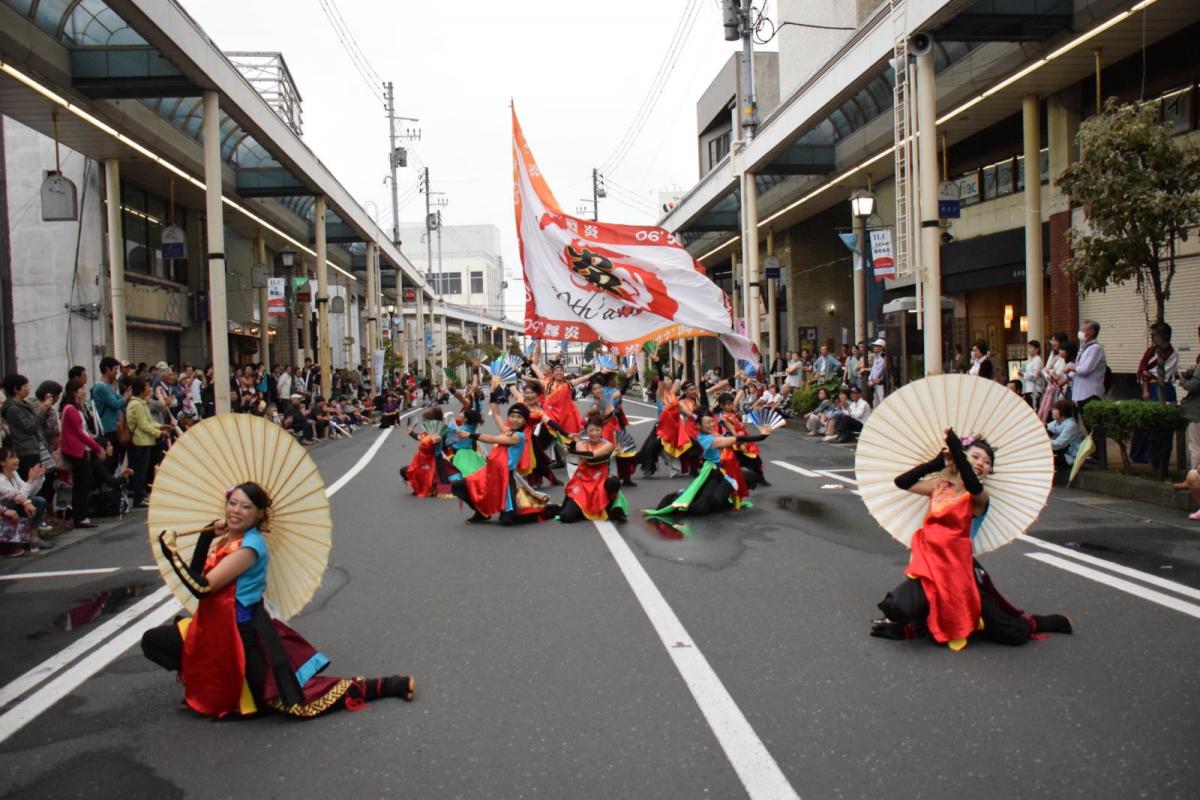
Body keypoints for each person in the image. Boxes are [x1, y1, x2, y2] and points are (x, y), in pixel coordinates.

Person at [141, 482, 414, 718]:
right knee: (154, 641)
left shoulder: (250, 547)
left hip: (239, 636)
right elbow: (198, 571)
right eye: (232, 503)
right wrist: (205, 535)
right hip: (210, 629)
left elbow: (203, 588)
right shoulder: (225, 539)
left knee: (292, 702)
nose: (236, 510)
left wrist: (171, 554)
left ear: (259, 513)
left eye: (245, 507)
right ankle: (206, 682)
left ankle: (386, 685)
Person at [870, 429, 1073, 650]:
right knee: (897, 608)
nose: (980, 463)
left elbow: (972, 483)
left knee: (1011, 633)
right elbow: (902, 482)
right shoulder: (939, 486)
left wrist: (958, 450)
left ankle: (1039, 621)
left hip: (961, 571)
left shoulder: (979, 497)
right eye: (974, 457)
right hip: (929, 565)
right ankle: (917, 626)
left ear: (990, 471)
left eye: (987, 462)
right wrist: (936, 462)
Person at [450, 393, 557, 525]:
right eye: (512, 416)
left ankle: (543, 510)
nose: (514, 419)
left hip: (504, 478)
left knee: (508, 521)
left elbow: (492, 439)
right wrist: (494, 391)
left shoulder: (519, 437)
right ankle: (481, 512)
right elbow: (495, 414)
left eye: (519, 417)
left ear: (525, 421)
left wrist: (469, 434)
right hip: (489, 472)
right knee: (458, 486)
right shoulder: (507, 431)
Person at [645, 411, 768, 518]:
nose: (711, 424)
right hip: (713, 473)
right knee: (703, 507)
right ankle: (677, 500)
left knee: (751, 477)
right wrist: (761, 437)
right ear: (699, 425)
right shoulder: (706, 439)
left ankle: (723, 499)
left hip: (726, 473)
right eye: (707, 423)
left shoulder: (714, 433)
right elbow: (734, 440)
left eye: (711, 421)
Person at [558, 414, 627, 523]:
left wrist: (571, 450)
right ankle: (582, 509)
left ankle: (610, 507)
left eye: (597, 430)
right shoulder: (580, 444)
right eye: (591, 430)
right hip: (583, 481)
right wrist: (569, 448)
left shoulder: (608, 445)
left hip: (600, 480)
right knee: (566, 517)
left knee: (613, 482)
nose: (594, 433)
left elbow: (591, 456)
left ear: (602, 430)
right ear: (586, 431)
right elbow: (584, 454)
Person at [59, 378, 105, 529]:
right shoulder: (71, 409)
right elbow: (80, 433)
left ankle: (80, 515)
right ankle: (80, 517)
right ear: (75, 391)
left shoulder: (74, 408)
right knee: (82, 483)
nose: (84, 391)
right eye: (82, 389)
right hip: (76, 451)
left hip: (78, 450)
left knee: (82, 483)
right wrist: (97, 447)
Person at [0, 445, 53, 554]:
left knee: (38, 500)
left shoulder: (14, 474)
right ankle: (9, 542)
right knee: (24, 501)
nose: (17, 460)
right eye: (12, 457)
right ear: (2, 462)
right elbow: (17, 497)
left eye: (16, 457)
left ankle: (32, 536)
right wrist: (30, 480)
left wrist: (37, 478)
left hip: (15, 507)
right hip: (5, 512)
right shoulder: (1, 479)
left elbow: (29, 493)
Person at [126, 377, 168, 508]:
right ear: (141, 389)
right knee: (140, 471)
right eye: (147, 386)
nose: (150, 389)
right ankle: (139, 498)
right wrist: (159, 433)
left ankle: (142, 495)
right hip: (140, 442)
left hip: (145, 441)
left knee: (144, 470)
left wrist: (161, 427)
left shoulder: (142, 403)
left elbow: (149, 422)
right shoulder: (137, 405)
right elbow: (144, 425)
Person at [2, 374, 49, 482]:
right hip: (26, 451)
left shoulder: (24, 404)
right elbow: (30, 428)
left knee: (40, 481)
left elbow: (37, 423)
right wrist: (42, 411)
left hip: (34, 448)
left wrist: (44, 410)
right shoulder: (13, 409)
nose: (28, 388)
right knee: (33, 482)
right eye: (25, 386)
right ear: (16, 389)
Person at [400, 408, 445, 498]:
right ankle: (424, 488)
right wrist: (411, 433)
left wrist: (438, 439)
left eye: (425, 421)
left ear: (431, 422)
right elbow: (419, 437)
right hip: (421, 459)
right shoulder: (426, 433)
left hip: (433, 460)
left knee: (433, 477)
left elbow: (438, 439)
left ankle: (435, 490)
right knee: (406, 471)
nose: (423, 423)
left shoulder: (438, 433)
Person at [1067, 320, 1107, 413]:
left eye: (1084, 329)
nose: (1080, 332)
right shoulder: (1083, 347)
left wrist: (1070, 367)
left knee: (1092, 423)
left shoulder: (1095, 348)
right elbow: (1077, 367)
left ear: (1092, 331)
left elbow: (1085, 369)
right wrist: (1068, 376)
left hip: (1090, 393)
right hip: (1080, 393)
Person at [1047, 399, 1086, 471]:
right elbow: (1048, 428)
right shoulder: (1057, 421)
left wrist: (1042, 441)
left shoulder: (1071, 424)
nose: (1052, 411)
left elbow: (1058, 444)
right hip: (1062, 451)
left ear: (1063, 411)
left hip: (1070, 457)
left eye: (1055, 409)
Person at [1021, 341, 1044, 409]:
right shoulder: (1029, 360)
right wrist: (1021, 372)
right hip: (1027, 389)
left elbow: (1035, 376)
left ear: (1037, 349)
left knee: (1034, 409)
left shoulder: (1038, 360)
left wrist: (1024, 375)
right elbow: (1022, 370)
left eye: (1031, 347)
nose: (1028, 350)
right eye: (1028, 347)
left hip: (1034, 389)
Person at [866, 339, 889, 407]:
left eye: (876, 346)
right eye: (874, 346)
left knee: (882, 402)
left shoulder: (883, 356)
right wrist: (870, 378)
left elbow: (883, 369)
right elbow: (874, 369)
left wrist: (876, 379)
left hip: (880, 383)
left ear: (881, 347)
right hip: (874, 383)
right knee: (875, 403)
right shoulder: (876, 356)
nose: (874, 347)